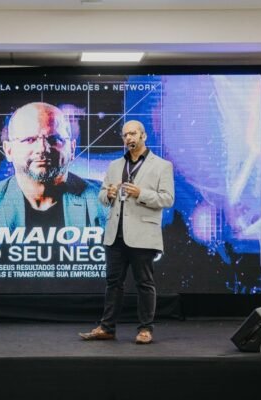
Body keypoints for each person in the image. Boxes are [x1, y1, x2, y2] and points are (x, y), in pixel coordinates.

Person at [0, 102, 106, 245]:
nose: (43, 149)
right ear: (8, 150)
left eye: (54, 139)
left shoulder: (106, 204)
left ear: (72, 149)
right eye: (29, 140)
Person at [79, 120, 175, 344]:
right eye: (125, 135)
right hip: (115, 234)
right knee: (113, 283)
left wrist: (141, 193)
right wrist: (109, 194)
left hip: (143, 234)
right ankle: (107, 328)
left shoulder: (162, 165)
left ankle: (145, 329)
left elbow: (167, 199)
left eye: (133, 133)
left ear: (143, 136)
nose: (128, 138)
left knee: (144, 283)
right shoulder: (114, 165)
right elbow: (101, 196)